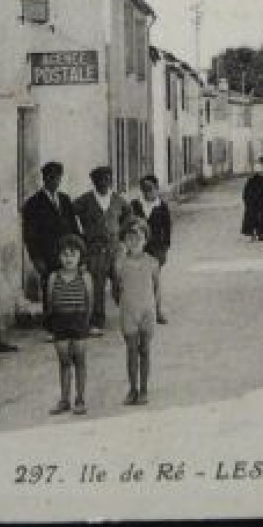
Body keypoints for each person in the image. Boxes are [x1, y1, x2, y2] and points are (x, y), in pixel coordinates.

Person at [72, 166, 134, 336]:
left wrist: (121, 233)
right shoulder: (85, 200)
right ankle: (97, 321)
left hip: (114, 249)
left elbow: (129, 215)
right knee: (97, 287)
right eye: (100, 179)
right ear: (94, 181)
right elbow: (70, 214)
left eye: (107, 179)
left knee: (120, 283)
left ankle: (129, 316)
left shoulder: (118, 200)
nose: (104, 183)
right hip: (95, 250)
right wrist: (81, 235)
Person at [112, 219, 162, 405]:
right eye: (129, 237)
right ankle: (132, 389)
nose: (134, 241)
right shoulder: (119, 264)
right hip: (128, 312)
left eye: (138, 237)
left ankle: (144, 389)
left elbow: (156, 288)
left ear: (145, 239)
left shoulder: (153, 263)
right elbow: (117, 290)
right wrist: (124, 305)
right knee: (131, 351)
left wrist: (158, 309)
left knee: (145, 350)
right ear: (124, 240)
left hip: (147, 312)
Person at [20, 161, 80, 312]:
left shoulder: (65, 200)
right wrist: (36, 258)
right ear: (44, 178)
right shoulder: (33, 203)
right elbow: (29, 235)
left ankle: (66, 319)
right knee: (50, 287)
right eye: (51, 177)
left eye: (57, 177)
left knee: (67, 286)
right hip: (47, 255)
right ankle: (51, 322)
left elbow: (74, 227)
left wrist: (78, 250)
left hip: (67, 254)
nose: (54, 181)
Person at [44, 234, 93, 415]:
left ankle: (80, 399)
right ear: (59, 256)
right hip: (60, 323)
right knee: (64, 362)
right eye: (64, 254)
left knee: (80, 360)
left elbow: (90, 303)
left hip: (79, 321)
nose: (68, 258)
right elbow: (50, 302)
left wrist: (84, 323)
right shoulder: (53, 277)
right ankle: (64, 400)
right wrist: (54, 324)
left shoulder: (85, 277)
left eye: (73, 254)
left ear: (80, 256)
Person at [132, 174, 173, 325]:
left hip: (156, 249)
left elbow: (167, 229)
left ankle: (157, 311)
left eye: (150, 189)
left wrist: (165, 248)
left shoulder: (161, 206)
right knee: (137, 281)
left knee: (154, 281)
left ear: (156, 189)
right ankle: (139, 313)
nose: (147, 192)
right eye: (144, 189)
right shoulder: (135, 205)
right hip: (138, 249)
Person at [241, 171, 263, 242]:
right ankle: (259, 235)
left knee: (253, 220)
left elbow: (245, 194)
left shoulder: (251, 181)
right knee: (260, 220)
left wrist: (247, 202)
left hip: (254, 204)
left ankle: (255, 235)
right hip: (260, 204)